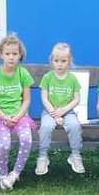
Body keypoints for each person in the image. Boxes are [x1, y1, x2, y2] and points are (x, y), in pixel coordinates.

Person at [0, 34, 36, 190]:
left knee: (27, 140)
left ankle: (15, 174)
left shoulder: (23, 74)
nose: (11, 57)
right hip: (0, 117)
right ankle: (3, 174)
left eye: (15, 53)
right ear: (1, 54)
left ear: (20, 55)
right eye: (7, 53)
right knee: (5, 144)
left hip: (20, 117)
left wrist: (18, 116)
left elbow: (26, 100)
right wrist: (4, 116)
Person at [35, 42, 84, 175]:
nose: (59, 64)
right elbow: (44, 98)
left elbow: (76, 99)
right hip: (50, 111)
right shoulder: (48, 77)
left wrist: (63, 111)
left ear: (69, 61)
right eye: (56, 61)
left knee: (74, 125)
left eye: (63, 61)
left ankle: (75, 155)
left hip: (68, 112)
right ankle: (43, 156)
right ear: (52, 60)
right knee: (46, 126)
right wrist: (55, 114)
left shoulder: (72, 79)